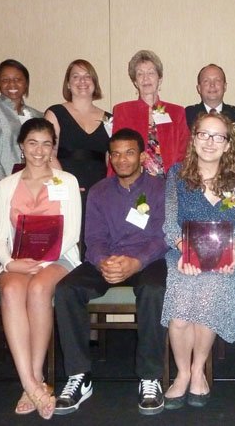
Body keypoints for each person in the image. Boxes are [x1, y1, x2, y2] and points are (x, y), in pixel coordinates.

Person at [53, 128, 168, 416]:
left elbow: (162, 236)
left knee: (155, 290)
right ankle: (79, 375)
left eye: (129, 152)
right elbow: (93, 238)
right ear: (109, 157)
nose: (122, 159)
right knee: (67, 289)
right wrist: (104, 261)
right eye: (115, 153)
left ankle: (150, 376)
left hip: (147, 260)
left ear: (142, 156)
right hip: (107, 259)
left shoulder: (159, 188)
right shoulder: (99, 191)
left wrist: (136, 262)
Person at [161, 113, 235, 409]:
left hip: (226, 258)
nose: (210, 142)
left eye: (218, 136)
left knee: (207, 295)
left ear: (228, 144)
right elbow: (169, 225)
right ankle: (182, 372)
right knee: (179, 316)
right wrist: (184, 249)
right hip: (183, 256)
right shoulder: (177, 175)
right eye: (204, 134)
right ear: (194, 138)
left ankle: (199, 367)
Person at [0, 118, 81, 420]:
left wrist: (42, 260)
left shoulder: (65, 180)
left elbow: (73, 232)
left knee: (40, 287)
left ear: (53, 146)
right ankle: (30, 383)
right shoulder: (6, 185)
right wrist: (9, 262)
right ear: (21, 146)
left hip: (58, 257)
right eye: (32, 143)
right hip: (17, 259)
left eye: (46, 143)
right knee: (14, 289)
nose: (39, 150)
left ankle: (36, 375)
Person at [0, 59, 43, 281]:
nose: (11, 84)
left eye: (18, 79)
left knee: (23, 251)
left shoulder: (38, 115)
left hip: (29, 193)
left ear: (26, 83)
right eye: (5, 79)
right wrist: (6, 186)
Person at [45, 59, 111, 255]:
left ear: (95, 82)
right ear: (68, 83)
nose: (82, 81)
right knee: (67, 240)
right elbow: (48, 153)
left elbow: (110, 158)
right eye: (76, 76)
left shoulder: (109, 118)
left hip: (99, 187)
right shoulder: (55, 112)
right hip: (63, 185)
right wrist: (67, 185)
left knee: (94, 239)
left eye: (87, 76)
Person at [113, 50, 189, 176]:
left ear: (160, 79)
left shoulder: (176, 112)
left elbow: (185, 152)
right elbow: (117, 150)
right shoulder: (123, 111)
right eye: (140, 74)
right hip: (134, 181)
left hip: (171, 182)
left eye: (151, 73)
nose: (145, 78)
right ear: (135, 82)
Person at [185, 63, 235, 161]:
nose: (212, 85)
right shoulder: (186, 116)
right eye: (206, 81)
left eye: (217, 81)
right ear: (199, 88)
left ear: (225, 86)